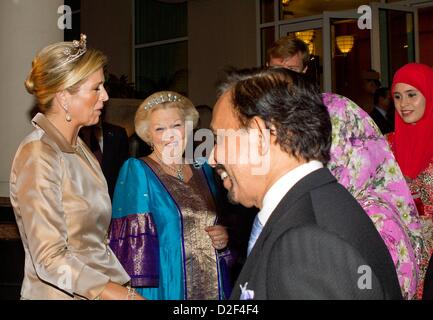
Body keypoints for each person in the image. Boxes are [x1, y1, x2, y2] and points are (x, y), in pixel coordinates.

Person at [210, 67, 402, 299]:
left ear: (259, 136)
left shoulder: (307, 243)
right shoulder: (319, 208)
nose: (212, 157)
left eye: (220, 139)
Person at [267, 38, 424, 299]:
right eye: (275, 71)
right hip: (296, 232)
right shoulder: (263, 119)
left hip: (354, 226)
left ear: (305, 72)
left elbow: (366, 176)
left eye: (291, 70)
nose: (283, 78)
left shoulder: (336, 110)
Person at [9, 34, 143, 300]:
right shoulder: (39, 153)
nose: (105, 96)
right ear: (64, 98)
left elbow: (93, 244)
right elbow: (50, 259)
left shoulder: (80, 150)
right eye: (96, 88)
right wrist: (118, 295)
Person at [109, 91, 233, 300]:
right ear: (148, 135)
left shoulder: (204, 169)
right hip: (167, 284)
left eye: (176, 125)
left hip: (214, 283)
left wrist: (223, 239)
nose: (170, 134)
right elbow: (132, 250)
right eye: (160, 128)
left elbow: (221, 222)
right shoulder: (138, 170)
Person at [387, 63, 433, 294]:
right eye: (397, 96)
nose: (404, 104)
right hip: (398, 256)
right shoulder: (384, 147)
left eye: (412, 95)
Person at [79, 118, 130, 199]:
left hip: (112, 201)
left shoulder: (118, 133)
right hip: (80, 201)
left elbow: (125, 174)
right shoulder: (70, 135)